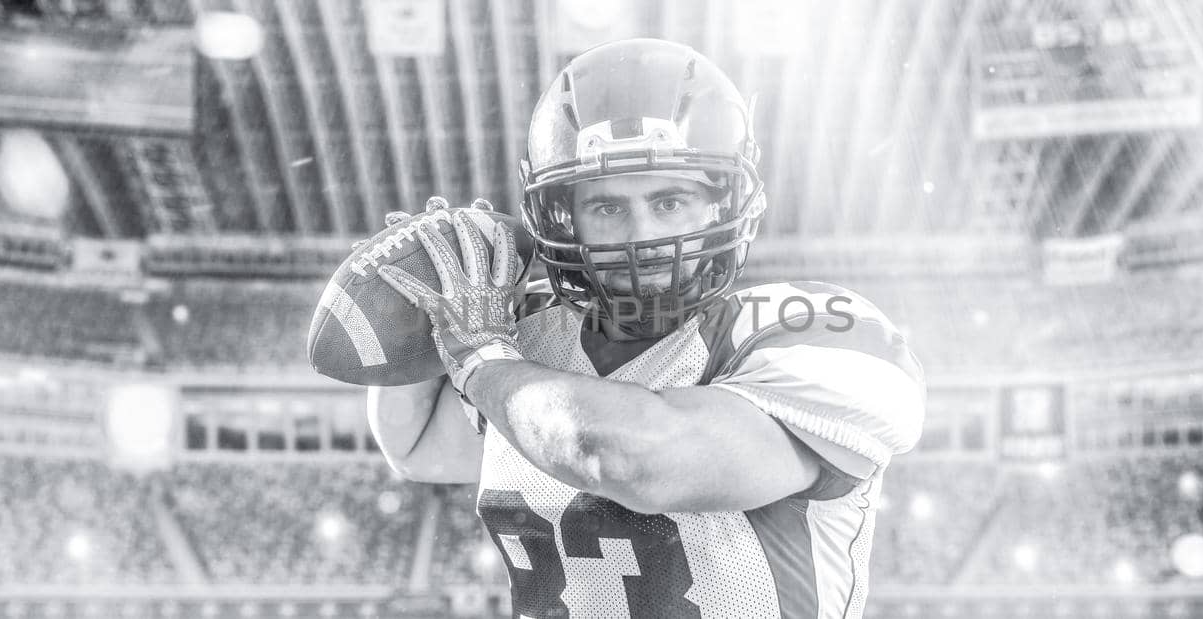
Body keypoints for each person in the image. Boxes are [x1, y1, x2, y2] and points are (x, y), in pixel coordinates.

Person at [367, 38, 925, 618]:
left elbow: (634, 464)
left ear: (723, 204)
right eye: (607, 209)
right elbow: (416, 448)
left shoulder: (810, 332)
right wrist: (420, 303)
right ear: (564, 219)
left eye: (669, 201)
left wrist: (480, 358)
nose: (640, 235)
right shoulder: (528, 343)